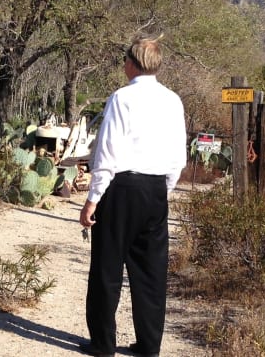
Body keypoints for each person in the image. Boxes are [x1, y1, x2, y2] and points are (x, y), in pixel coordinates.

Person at [79, 36, 187, 357]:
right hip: (155, 190)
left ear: (131, 62)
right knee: (151, 272)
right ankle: (149, 346)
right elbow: (178, 157)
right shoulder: (173, 100)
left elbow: (107, 154)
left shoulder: (122, 98)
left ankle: (103, 345)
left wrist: (92, 200)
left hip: (121, 188)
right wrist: (162, 191)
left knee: (107, 268)